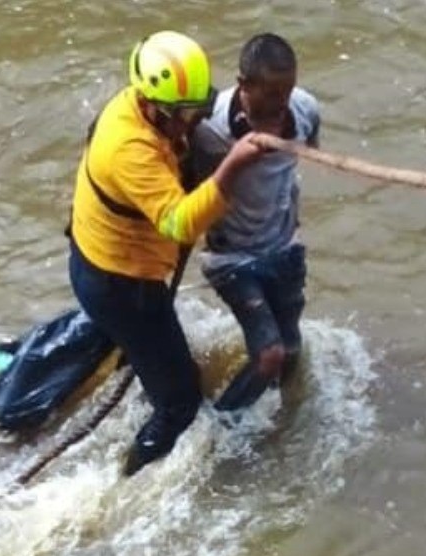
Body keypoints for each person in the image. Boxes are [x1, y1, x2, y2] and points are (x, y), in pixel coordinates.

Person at [67, 31, 266, 476]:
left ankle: (139, 359)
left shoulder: (142, 107)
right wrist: (230, 171)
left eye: (200, 109)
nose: (192, 122)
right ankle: (129, 475)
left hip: (99, 258)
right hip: (120, 284)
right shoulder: (129, 148)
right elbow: (178, 222)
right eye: (184, 115)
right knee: (180, 401)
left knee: (147, 353)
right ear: (154, 106)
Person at [187, 33, 320, 412]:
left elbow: (312, 153)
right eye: (270, 94)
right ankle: (220, 429)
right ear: (243, 85)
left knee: (291, 349)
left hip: (284, 247)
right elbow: (190, 195)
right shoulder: (208, 128)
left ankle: (286, 419)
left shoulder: (305, 109)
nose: (281, 104)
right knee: (269, 355)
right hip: (231, 257)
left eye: (287, 91)